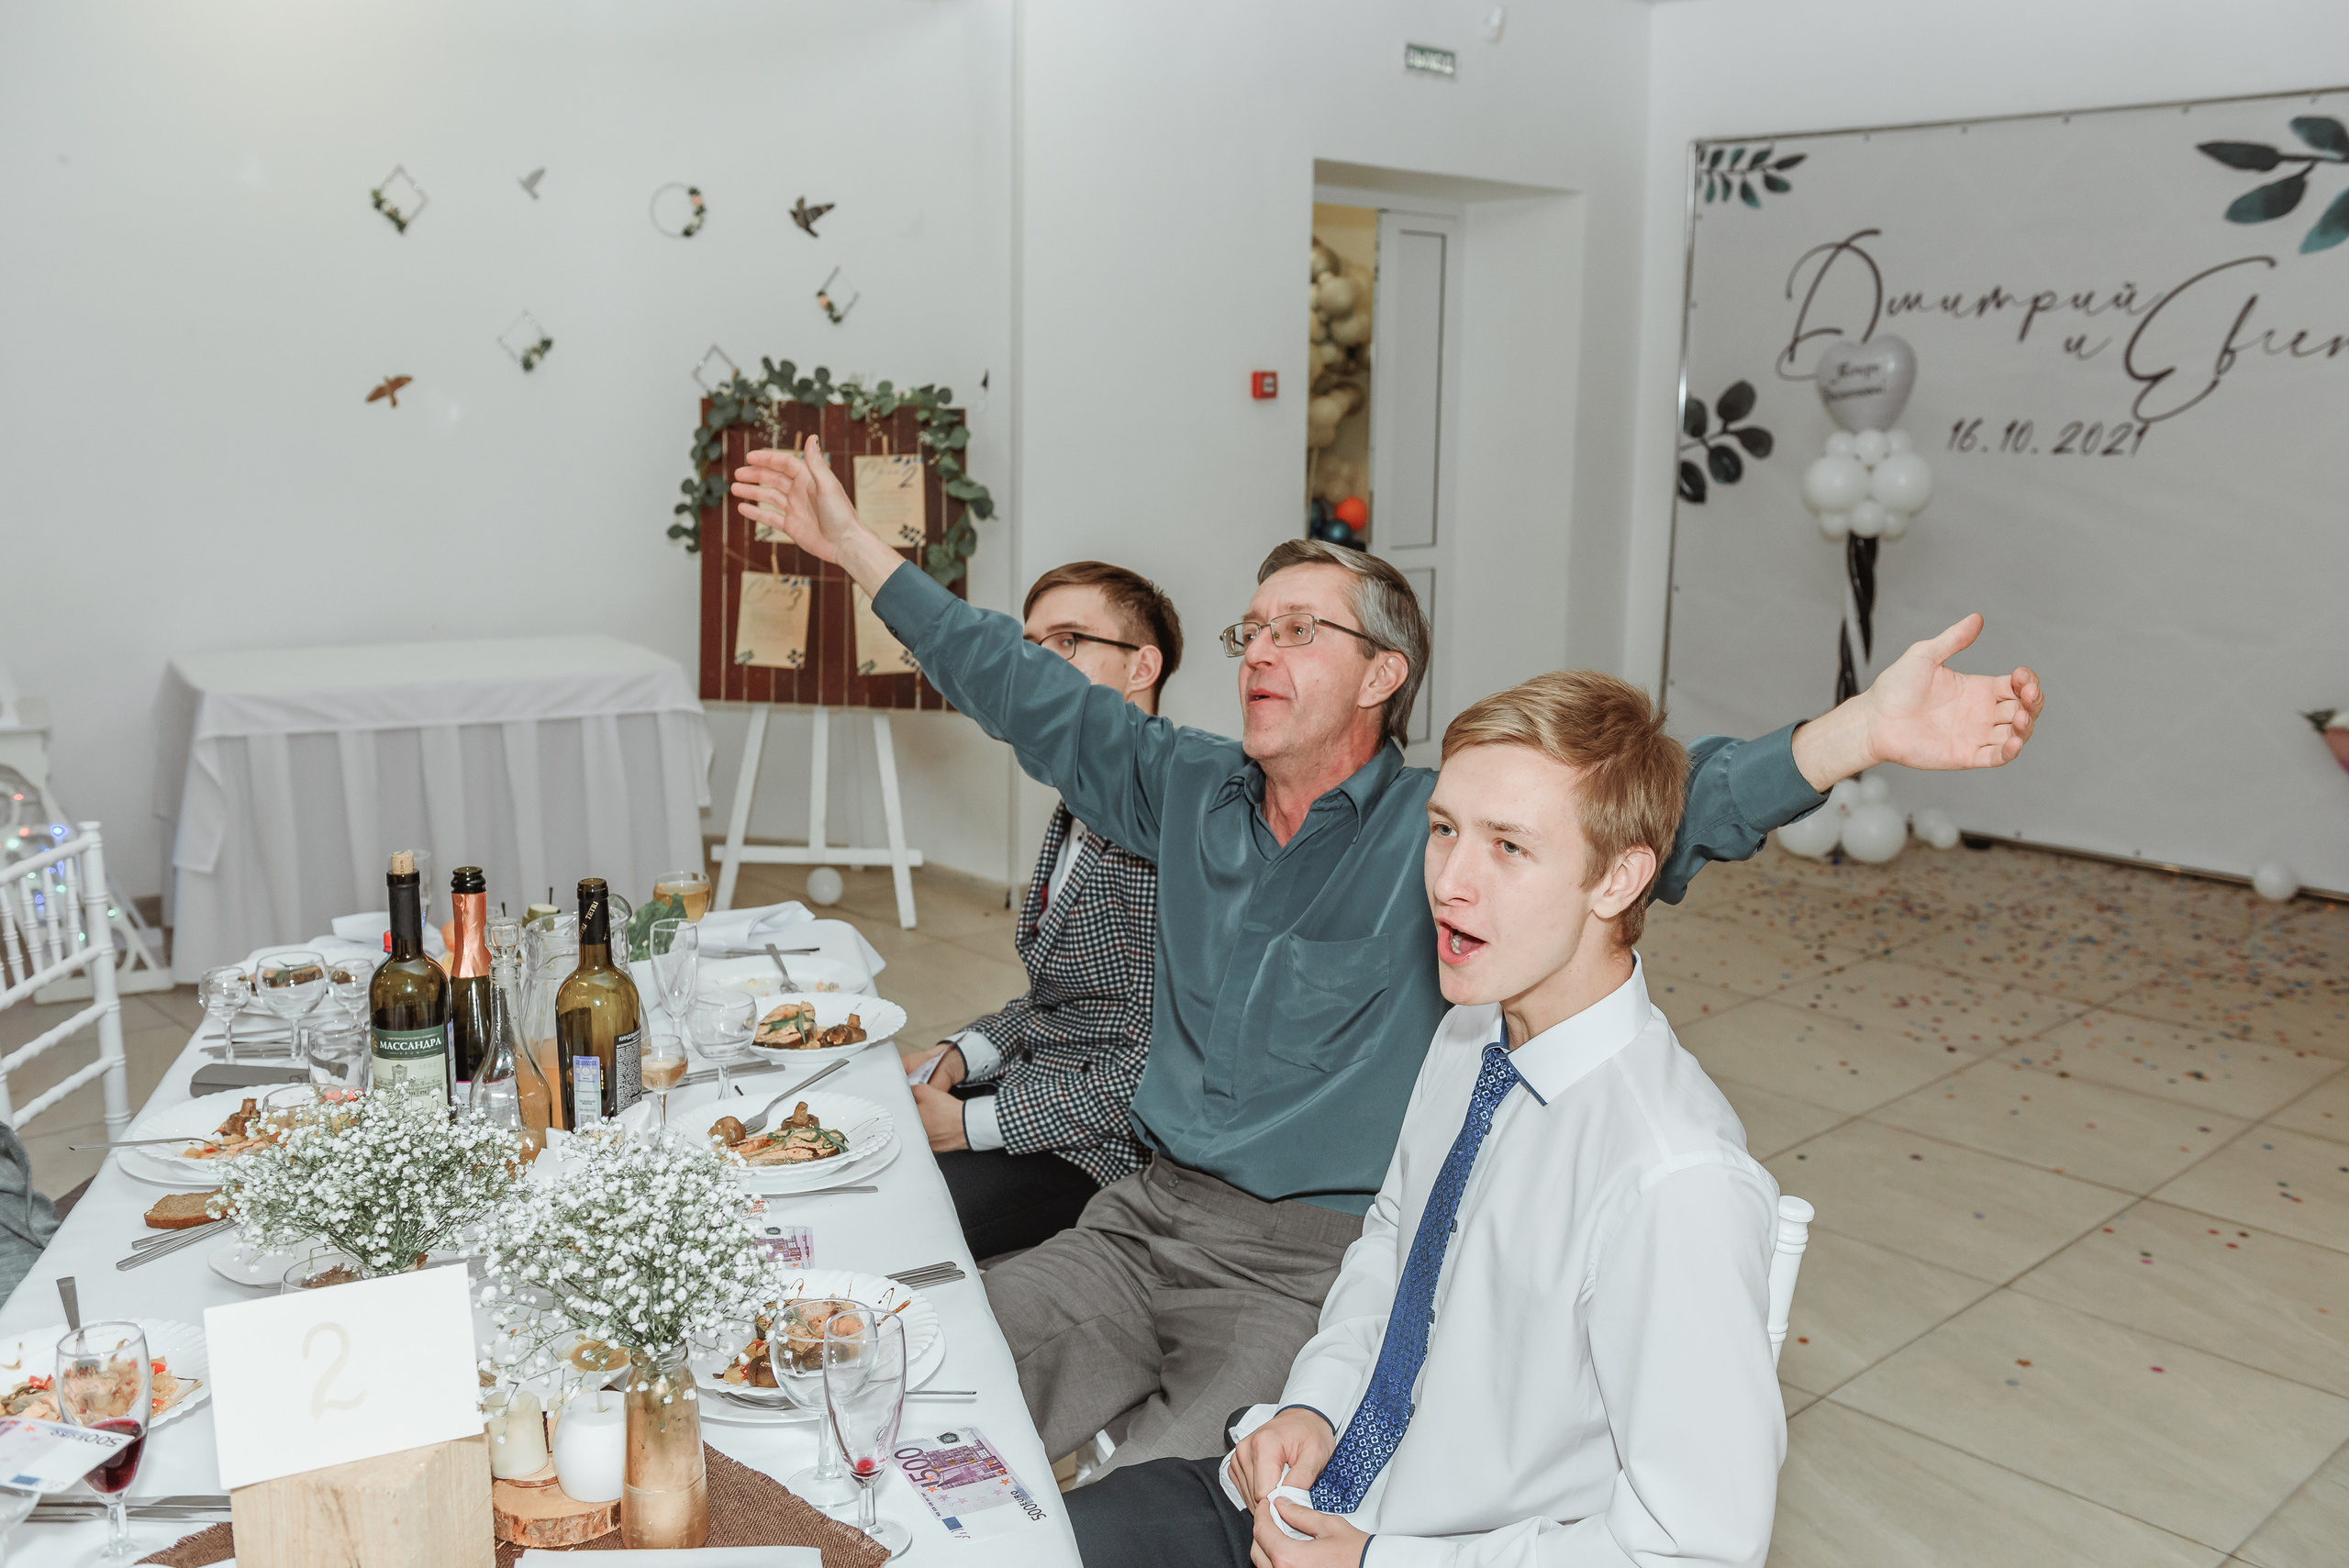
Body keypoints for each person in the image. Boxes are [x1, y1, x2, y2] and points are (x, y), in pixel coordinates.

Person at [731, 437, 2043, 1478]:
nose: (1261, 649)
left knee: (1174, 1516)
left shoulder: (1441, 837)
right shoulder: (1181, 790)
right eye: (1253, 629)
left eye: (1302, 628)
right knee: (901, 1387)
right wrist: (854, 547)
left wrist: (1861, 731)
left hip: (1311, 1272)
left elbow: (1678, 804)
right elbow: (1020, 684)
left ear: (1381, 676)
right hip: (1137, 1219)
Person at [1069, 673, 1784, 1568]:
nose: (1450, 881)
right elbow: (1394, 1238)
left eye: (1509, 847)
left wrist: (1376, 1561)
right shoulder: (1470, 1033)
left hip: (1438, 1549)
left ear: (1618, 876)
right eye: (1443, 829)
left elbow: (1697, 1547)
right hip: (1332, 1493)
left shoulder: (1672, 1179)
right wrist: (1314, 1404)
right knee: (1030, 1537)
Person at [904, 561, 1180, 1260]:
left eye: (1067, 642)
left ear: (1142, 666)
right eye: (1030, 647)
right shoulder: (1077, 804)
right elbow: (1065, 1000)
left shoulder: (1170, 829)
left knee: (902, 1218)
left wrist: (972, 1124)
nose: (1035, 668)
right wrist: (962, 1050)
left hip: (1105, 1149)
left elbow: (1159, 1073)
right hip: (1043, 1083)